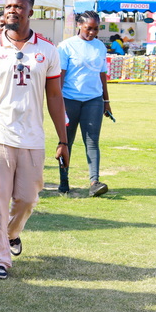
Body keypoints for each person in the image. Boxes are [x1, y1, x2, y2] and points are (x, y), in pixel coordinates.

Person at [0, 0, 69, 280]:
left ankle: (12, 233)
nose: (12, 10)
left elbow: (55, 96)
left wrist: (63, 140)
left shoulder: (48, 50)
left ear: (30, 12)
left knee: (27, 199)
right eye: (8, 6)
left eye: (18, 7)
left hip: (32, 137)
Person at [57, 10, 111, 197]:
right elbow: (60, 76)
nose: (92, 32)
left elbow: (102, 75)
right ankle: (64, 182)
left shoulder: (100, 47)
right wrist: (58, 103)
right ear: (79, 25)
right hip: (69, 100)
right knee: (66, 142)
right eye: (89, 28)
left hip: (93, 100)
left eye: (96, 29)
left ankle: (94, 183)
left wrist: (106, 101)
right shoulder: (66, 46)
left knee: (92, 141)